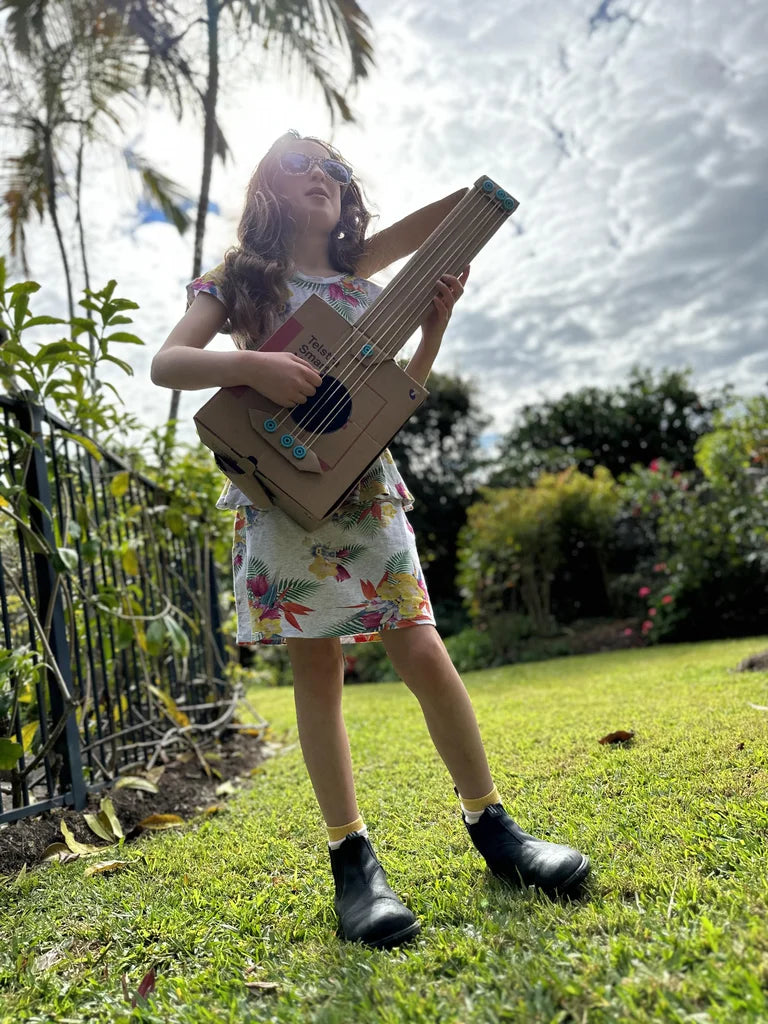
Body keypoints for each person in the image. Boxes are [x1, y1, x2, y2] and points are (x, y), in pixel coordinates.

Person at [152, 131, 590, 950]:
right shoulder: (241, 280)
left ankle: (494, 825)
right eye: (298, 163)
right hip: (284, 493)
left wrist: (433, 330)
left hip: (364, 489)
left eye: (333, 167)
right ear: (266, 189)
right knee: (317, 671)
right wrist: (252, 368)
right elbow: (169, 363)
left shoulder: (365, 287)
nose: (320, 174)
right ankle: (351, 859)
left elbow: (386, 404)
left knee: (422, 647)